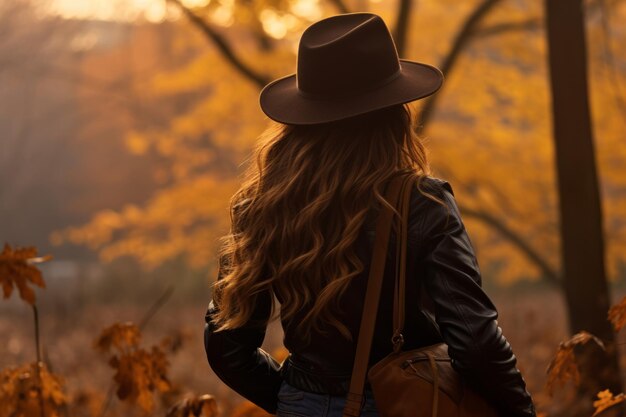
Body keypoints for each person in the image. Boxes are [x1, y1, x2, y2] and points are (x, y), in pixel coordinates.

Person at [204, 12, 536, 417]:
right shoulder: (421, 202)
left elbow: (226, 345)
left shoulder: (262, 204)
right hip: (404, 403)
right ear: (394, 114)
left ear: (302, 119)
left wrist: (294, 398)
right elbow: (476, 339)